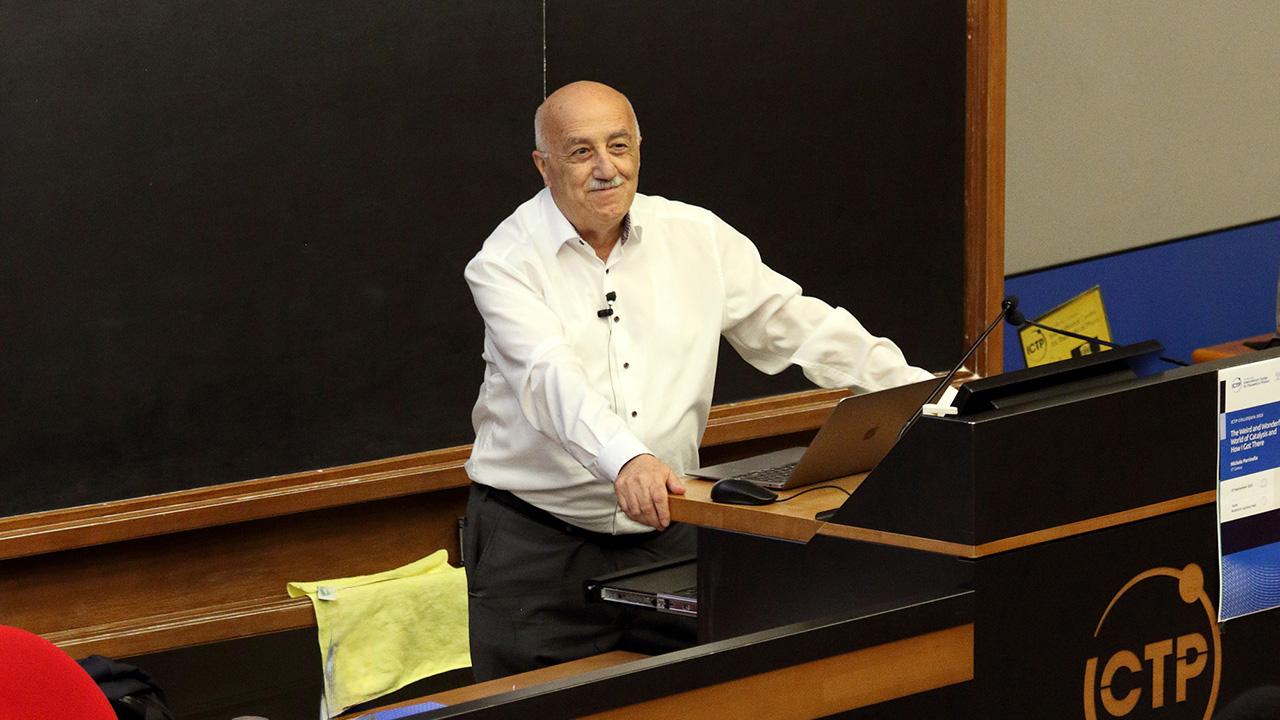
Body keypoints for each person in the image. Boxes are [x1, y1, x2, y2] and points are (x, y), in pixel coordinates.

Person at [462, 80, 935, 680]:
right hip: (535, 548)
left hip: (671, 525)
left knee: (714, 694)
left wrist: (923, 392)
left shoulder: (696, 236)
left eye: (619, 146)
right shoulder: (505, 262)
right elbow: (547, 378)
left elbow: (796, 323)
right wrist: (627, 459)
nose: (606, 168)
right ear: (543, 165)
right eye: (582, 152)